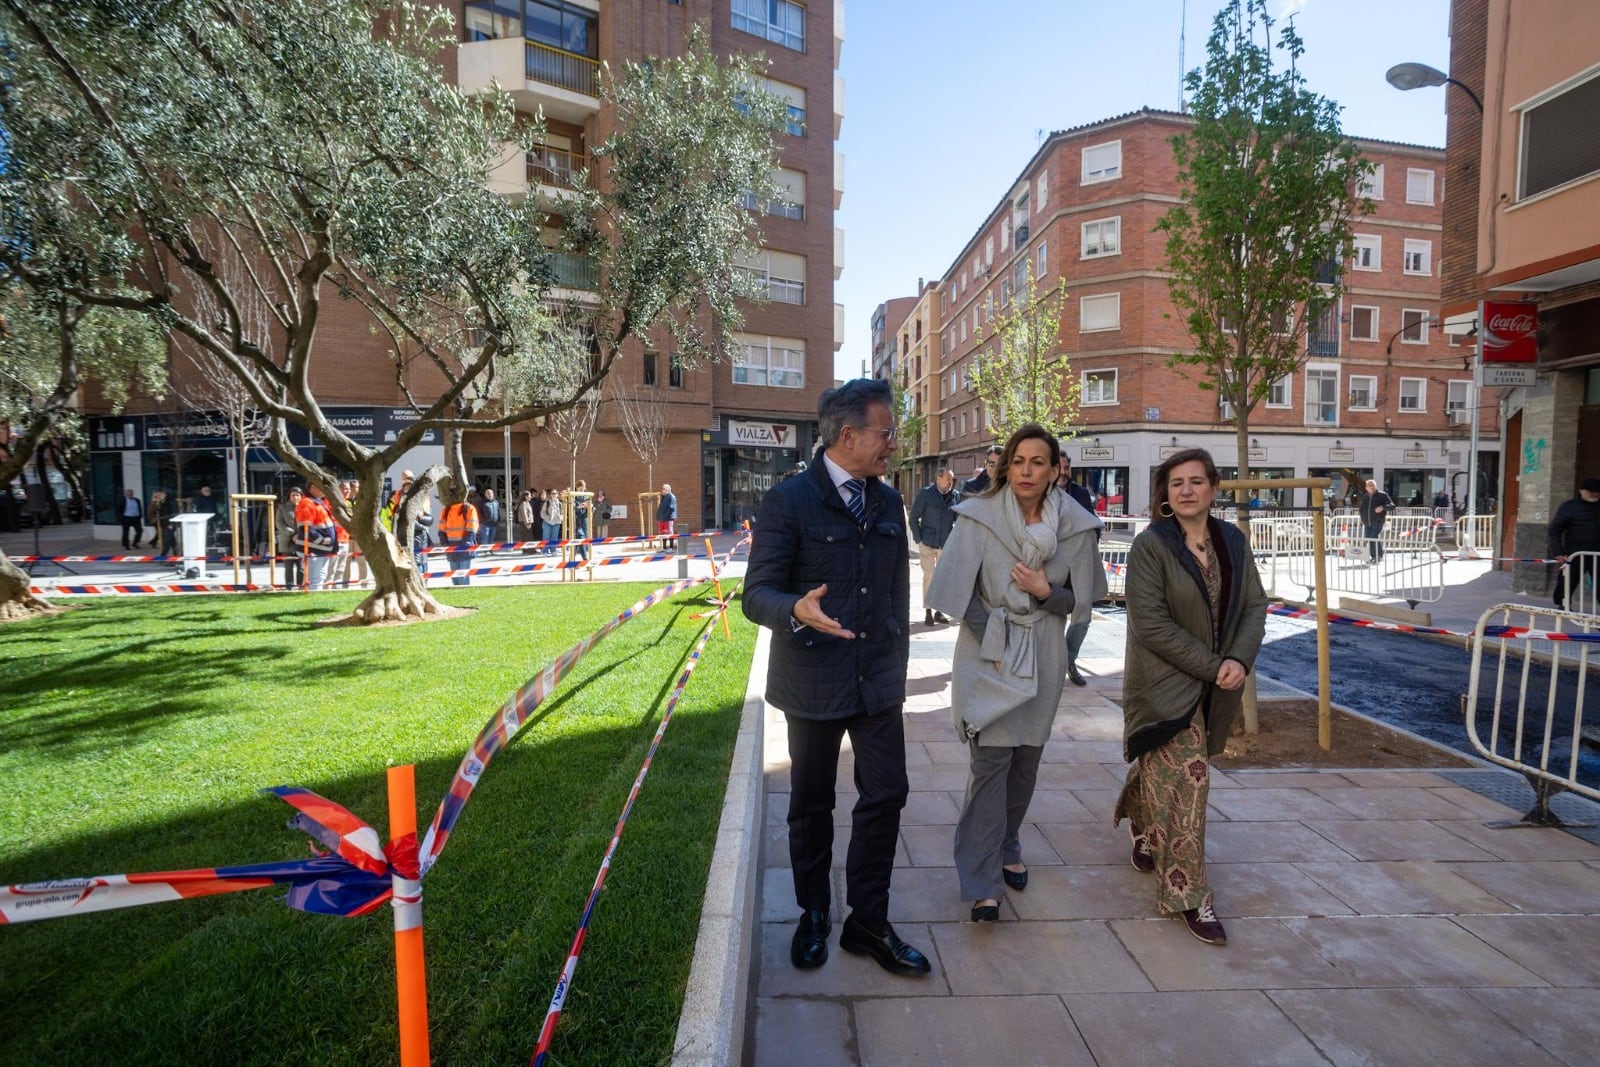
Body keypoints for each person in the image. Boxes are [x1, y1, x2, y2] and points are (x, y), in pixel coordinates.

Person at [741, 377, 930, 978]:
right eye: (886, 433)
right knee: (811, 803)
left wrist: (897, 669)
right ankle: (815, 913)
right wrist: (794, 609)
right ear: (848, 436)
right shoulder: (788, 501)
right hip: (812, 683)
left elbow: (898, 591)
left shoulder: (887, 501)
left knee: (887, 794)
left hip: (876, 681)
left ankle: (868, 922)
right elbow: (757, 594)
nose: (893, 443)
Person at [925, 425, 1107, 924]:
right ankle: (982, 883)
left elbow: (1084, 602)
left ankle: (1008, 843)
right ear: (1007, 466)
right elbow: (955, 594)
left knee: (1025, 762)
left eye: (1038, 462)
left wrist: (1048, 592)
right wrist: (996, 640)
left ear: (1055, 470)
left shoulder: (1075, 525)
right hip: (989, 654)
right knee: (989, 766)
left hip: (1044, 652)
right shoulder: (978, 516)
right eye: (1019, 461)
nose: (1027, 471)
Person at [1114, 448, 1267, 946]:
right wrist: (1214, 664)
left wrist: (1239, 660)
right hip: (1163, 683)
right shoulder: (1151, 546)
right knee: (1191, 778)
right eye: (1176, 482)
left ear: (1213, 488)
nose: (1186, 490)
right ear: (1166, 491)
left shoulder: (1233, 541)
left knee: (1167, 771)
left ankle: (1140, 820)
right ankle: (1188, 892)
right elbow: (1153, 625)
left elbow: (1253, 605)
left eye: (1196, 481)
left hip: (1216, 685)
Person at [1052, 452, 1102, 687]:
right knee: (1053, 615)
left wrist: (1089, 543)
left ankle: (1069, 660)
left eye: (1067, 467)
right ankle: (1051, 662)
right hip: (1053, 565)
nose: (1064, 472)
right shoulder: (1044, 494)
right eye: (1060, 467)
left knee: (1083, 615)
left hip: (1079, 565)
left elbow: (1093, 524)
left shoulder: (1080, 493)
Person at [908, 464, 960, 625]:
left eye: (952, 479)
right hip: (928, 542)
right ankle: (928, 611)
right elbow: (913, 518)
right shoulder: (926, 494)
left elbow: (958, 520)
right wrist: (919, 539)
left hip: (946, 543)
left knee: (943, 578)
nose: (951, 482)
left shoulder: (955, 495)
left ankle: (939, 611)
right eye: (948, 479)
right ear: (938, 478)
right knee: (929, 576)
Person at [1549, 478, 1600, 611]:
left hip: (1598, 553)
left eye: (1597, 492)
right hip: (1575, 553)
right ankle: (1563, 605)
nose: (1595, 494)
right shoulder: (1569, 507)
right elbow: (1555, 531)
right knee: (1567, 581)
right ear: (1581, 491)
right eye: (1591, 492)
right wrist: (1558, 552)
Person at [295, 482, 338, 590]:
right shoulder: (307, 503)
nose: (326, 489)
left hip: (320, 549)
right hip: (313, 549)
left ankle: (314, 599)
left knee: (318, 578)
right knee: (315, 579)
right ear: (313, 487)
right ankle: (312, 601)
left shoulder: (317, 503)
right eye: (323, 486)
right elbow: (305, 528)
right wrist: (321, 540)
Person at [439, 489, 480, 587]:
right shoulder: (446, 510)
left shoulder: (468, 508)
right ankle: (457, 591)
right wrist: (444, 541)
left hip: (464, 545)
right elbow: (441, 527)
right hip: (451, 546)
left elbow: (472, 527)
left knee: (463, 573)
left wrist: (466, 542)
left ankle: (463, 591)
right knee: (454, 574)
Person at [1358, 478, 1393, 563]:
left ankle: (1377, 556)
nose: (1372, 487)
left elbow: (1392, 506)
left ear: (1376, 486)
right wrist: (1362, 519)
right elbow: (1361, 509)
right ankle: (1376, 556)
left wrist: (1382, 507)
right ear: (1366, 487)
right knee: (1370, 538)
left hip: (1378, 521)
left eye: (1373, 485)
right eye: (1369, 485)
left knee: (1373, 537)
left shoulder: (1382, 495)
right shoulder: (1365, 496)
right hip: (1367, 522)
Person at [276, 487, 303, 589]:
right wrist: (292, 534)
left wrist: (299, 535)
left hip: (301, 541)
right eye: (293, 495)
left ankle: (301, 586)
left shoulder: (305, 507)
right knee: (288, 567)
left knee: (301, 567)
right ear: (289, 496)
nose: (295, 497)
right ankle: (290, 587)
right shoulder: (282, 508)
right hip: (287, 541)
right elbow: (279, 523)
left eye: (298, 495)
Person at [572, 480, 591, 561]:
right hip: (576, 520)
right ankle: (585, 559)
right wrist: (578, 507)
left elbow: (591, 507)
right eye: (581, 488)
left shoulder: (586, 496)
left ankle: (571, 561)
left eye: (583, 488)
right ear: (577, 487)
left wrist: (589, 506)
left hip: (584, 520)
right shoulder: (573, 496)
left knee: (578, 542)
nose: (582, 490)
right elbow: (571, 508)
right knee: (581, 538)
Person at [541, 487, 563, 555]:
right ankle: (545, 551)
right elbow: (542, 513)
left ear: (557, 495)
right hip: (547, 523)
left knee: (554, 538)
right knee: (546, 537)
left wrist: (561, 518)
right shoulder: (547, 503)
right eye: (552, 493)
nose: (553, 495)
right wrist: (548, 518)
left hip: (556, 523)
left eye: (554, 493)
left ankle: (553, 550)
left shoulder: (560, 504)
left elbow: (562, 513)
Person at [656, 482, 678, 550]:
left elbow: (671, 508)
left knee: (669, 532)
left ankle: (671, 547)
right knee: (663, 533)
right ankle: (664, 547)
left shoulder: (671, 497)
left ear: (667, 490)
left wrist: (664, 517)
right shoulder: (664, 497)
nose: (661, 490)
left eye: (663, 489)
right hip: (663, 519)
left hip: (668, 519)